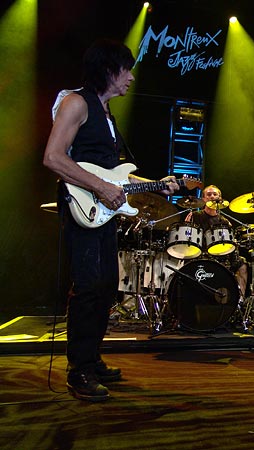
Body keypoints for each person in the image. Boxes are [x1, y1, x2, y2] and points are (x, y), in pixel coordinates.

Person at [42, 38, 179, 401]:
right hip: (82, 204)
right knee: (88, 285)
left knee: (105, 286)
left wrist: (157, 184)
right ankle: (79, 370)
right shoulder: (76, 102)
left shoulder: (107, 115)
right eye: (126, 70)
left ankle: (92, 359)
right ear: (107, 69)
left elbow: (115, 175)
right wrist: (101, 187)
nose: (131, 78)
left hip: (102, 209)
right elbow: (54, 157)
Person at [183, 185, 248, 298]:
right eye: (208, 195)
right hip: (199, 254)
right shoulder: (195, 216)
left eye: (215, 194)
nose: (212, 197)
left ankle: (239, 300)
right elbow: (187, 238)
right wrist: (187, 226)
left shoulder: (224, 221)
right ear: (203, 199)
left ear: (220, 199)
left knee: (242, 264)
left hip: (221, 255)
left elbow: (230, 244)